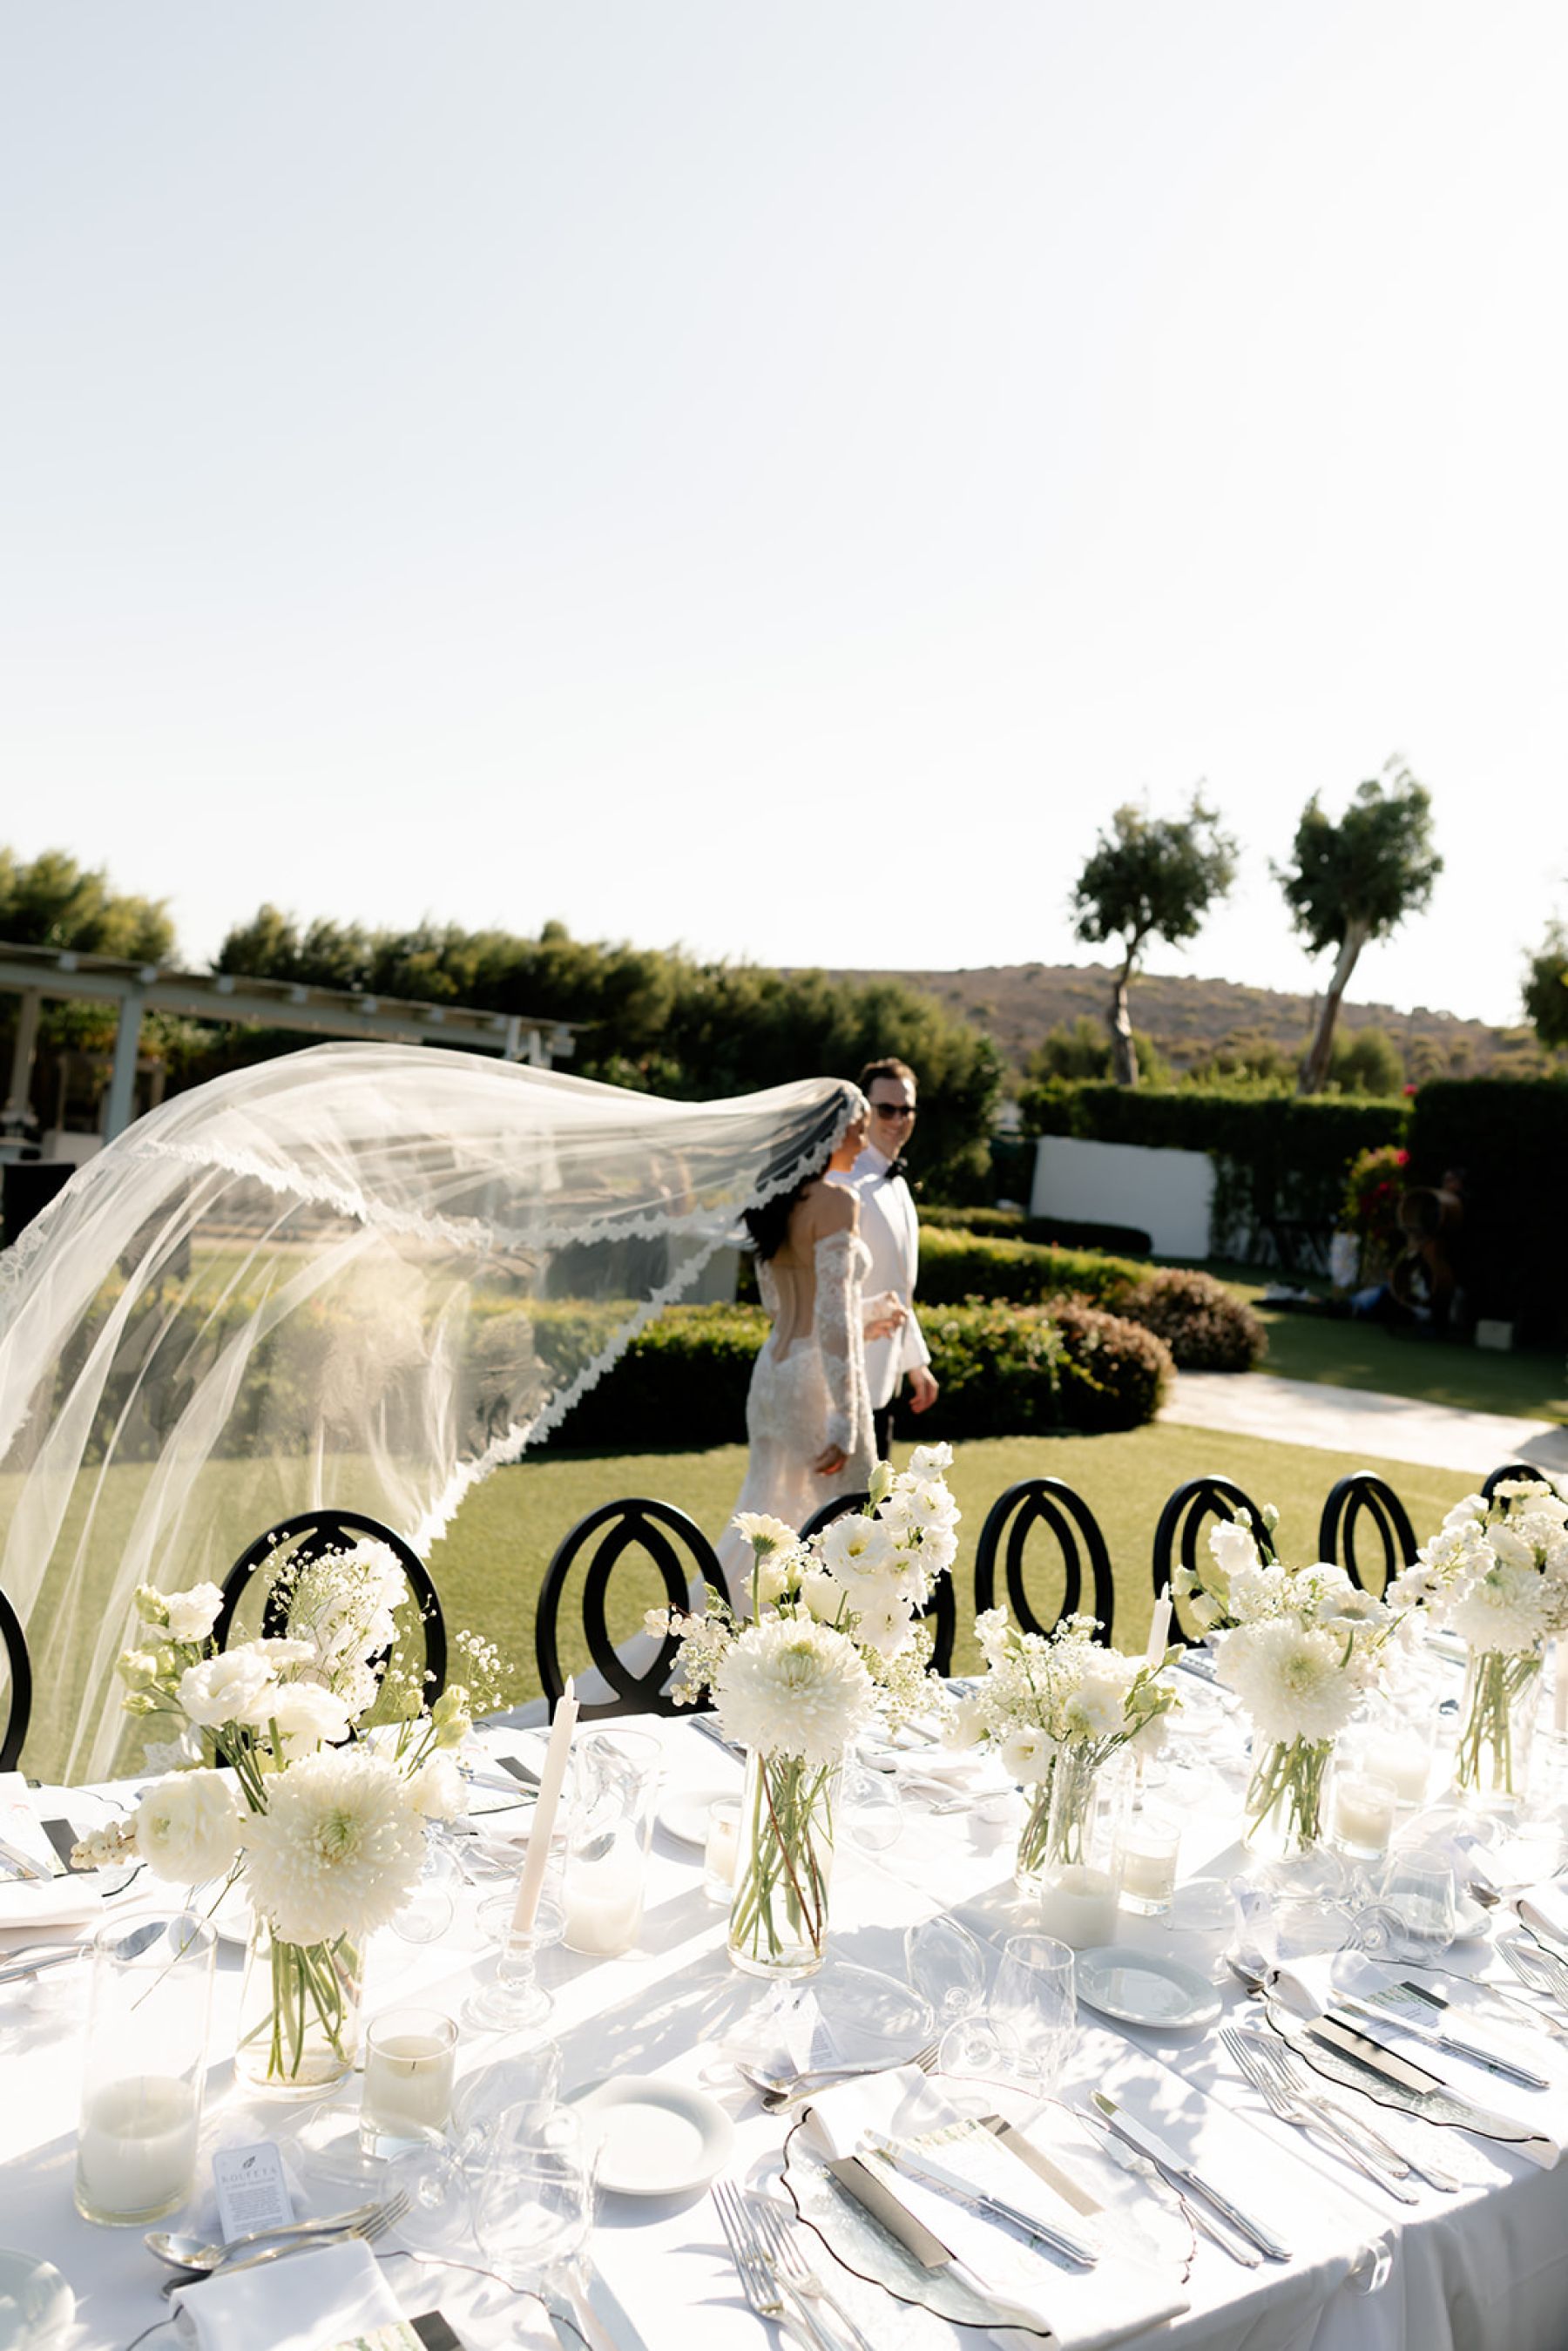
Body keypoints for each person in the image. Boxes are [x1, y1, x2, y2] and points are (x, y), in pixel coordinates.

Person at [716, 1091, 904, 1603]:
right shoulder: (839, 1202)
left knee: (765, 1521)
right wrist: (845, 1417)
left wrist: (870, 1316)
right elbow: (832, 1316)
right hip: (818, 1384)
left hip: (774, 1372)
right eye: (858, 1128)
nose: (864, 1139)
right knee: (844, 1527)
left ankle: (727, 1637)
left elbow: (783, 1308)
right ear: (828, 1133)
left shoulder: (772, 1202)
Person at [844, 1056, 938, 1460]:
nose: (898, 1119)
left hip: (885, 1382)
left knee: (872, 1510)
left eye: (907, 1109)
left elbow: (896, 1287)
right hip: (844, 1379)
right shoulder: (842, 1184)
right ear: (864, 1110)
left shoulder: (898, 1186)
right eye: (887, 1109)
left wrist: (916, 1363)